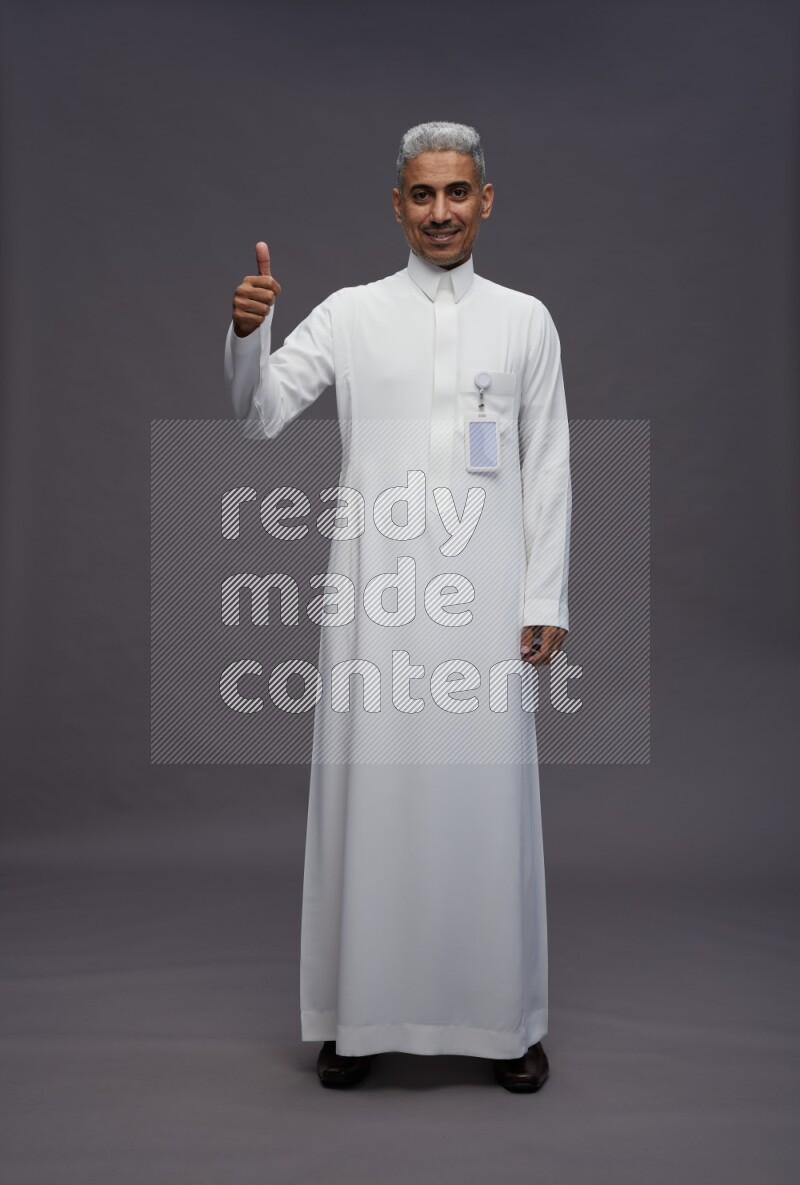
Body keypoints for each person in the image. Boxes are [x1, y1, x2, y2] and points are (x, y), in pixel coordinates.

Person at [224, 121, 571, 1092]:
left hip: (487, 600)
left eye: (456, 193)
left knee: (485, 802)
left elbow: (547, 466)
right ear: (396, 206)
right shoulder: (349, 313)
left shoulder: (523, 320)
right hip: (374, 598)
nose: (440, 212)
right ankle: (354, 1017)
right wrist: (248, 332)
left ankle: (505, 1024)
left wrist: (544, 593)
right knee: (366, 799)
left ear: (485, 200)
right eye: (421, 196)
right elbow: (258, 413)